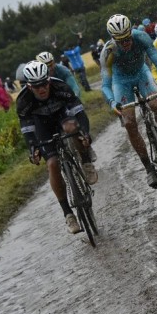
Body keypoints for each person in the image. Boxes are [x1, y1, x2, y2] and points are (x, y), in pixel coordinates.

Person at [100, 14, 157, 188]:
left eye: (127, 38)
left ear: (131, 32)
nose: (126, 43)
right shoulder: (108, 51)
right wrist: (113, 103)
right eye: (120, 41)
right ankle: (148, 168)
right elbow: (106, 85)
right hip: (121, 82)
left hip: (141, 74)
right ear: (113, 39)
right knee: (129, 122)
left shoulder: (141, 36)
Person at [16, 60, 98, 234]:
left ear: (49, 80)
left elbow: (79, 113)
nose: (42, 89)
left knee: (72, 128)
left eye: (44, 83)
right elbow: (28, 130)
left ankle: (85, 162)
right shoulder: (23, 100)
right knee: (52, 164)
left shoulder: (61, 87)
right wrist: (33, 148)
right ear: (29, 86)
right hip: (42, 126)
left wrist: (85, 133)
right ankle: (68, 214)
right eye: (37, 86)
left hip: (62, 117)